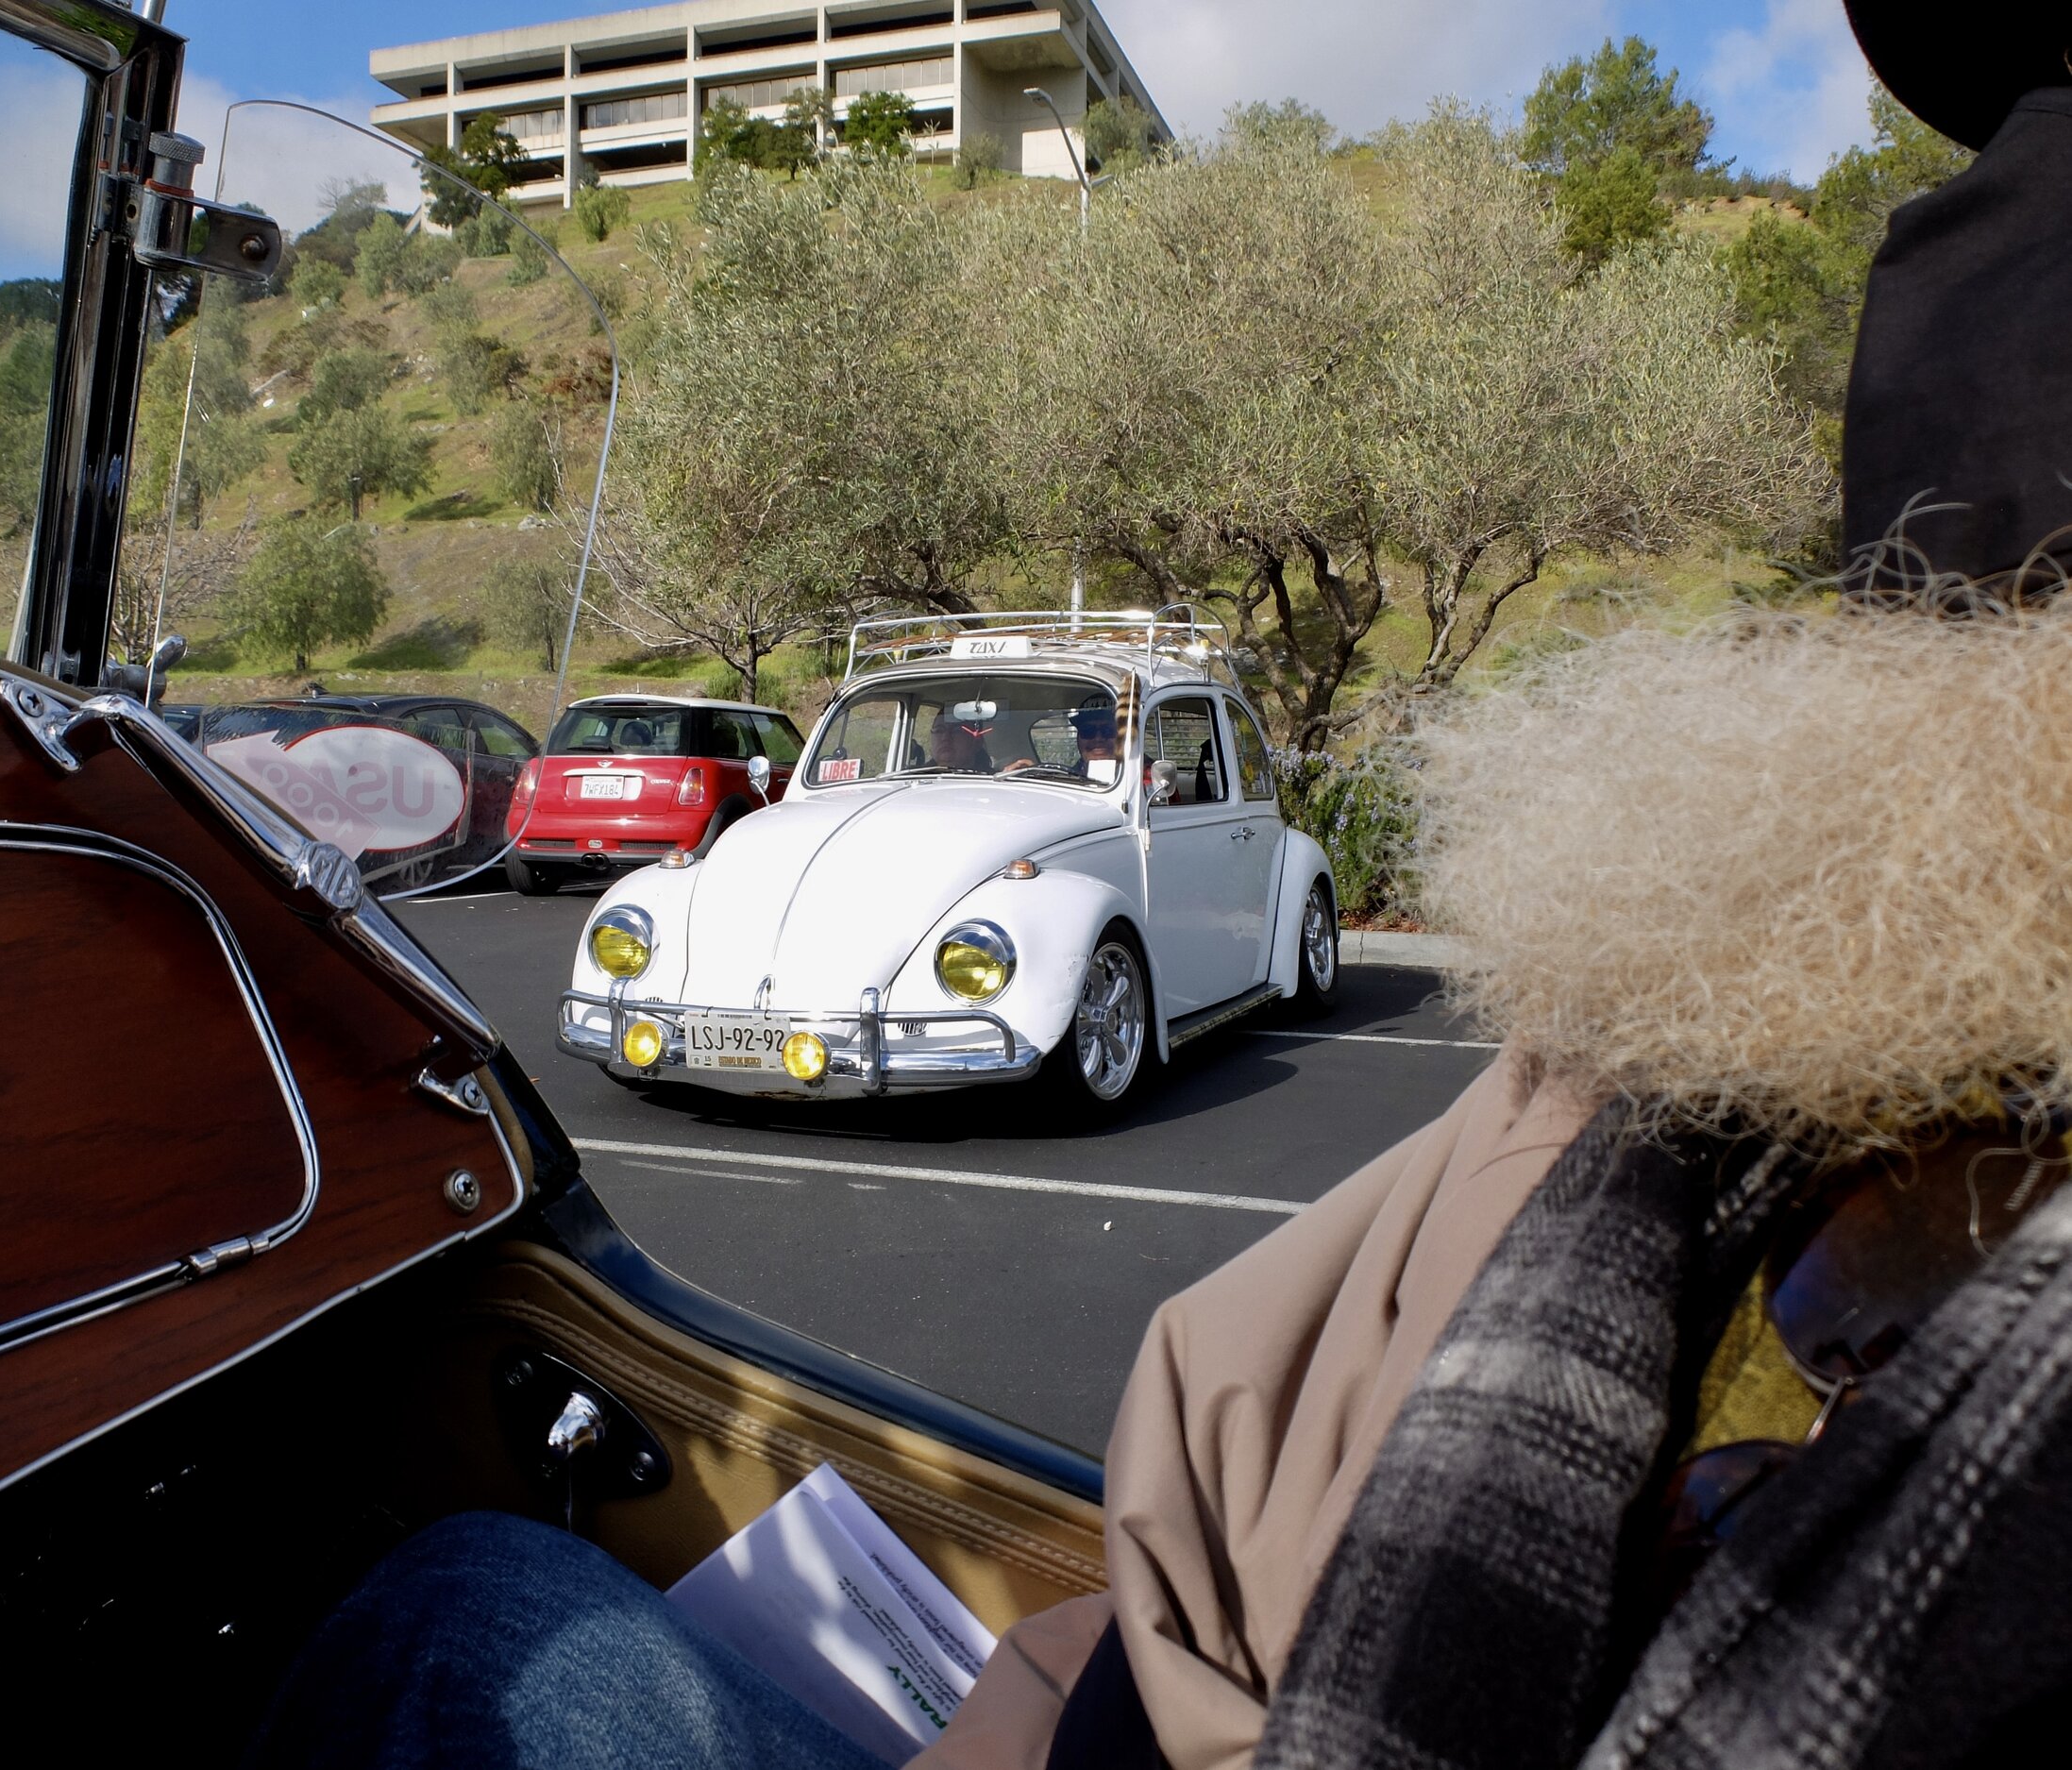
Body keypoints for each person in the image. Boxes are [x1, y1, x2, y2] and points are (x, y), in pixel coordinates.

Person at [255, 9, 2072, 1766]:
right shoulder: (1691, 1064)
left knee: (463, 1622)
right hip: (1120, 1684)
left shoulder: (1681, 1083)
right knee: (475, 1593)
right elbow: (1202, 1507)